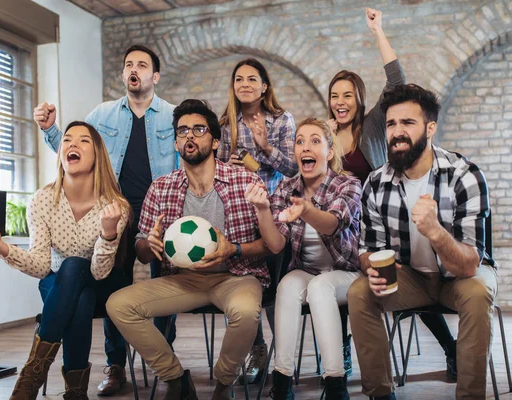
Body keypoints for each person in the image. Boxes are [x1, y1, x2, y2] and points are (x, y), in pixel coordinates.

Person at [33, 44, 177, 395]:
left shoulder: (173, 116)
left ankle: (164, 358)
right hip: (113, 209)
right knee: (118, 283)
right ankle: (116, 365)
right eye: (129, 64)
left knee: (166, 278)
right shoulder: (103, 114)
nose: (134, 69)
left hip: (162, 209)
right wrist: (52, 129)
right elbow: (76, 150)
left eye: (142, 65)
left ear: (154, 76)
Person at [106, 99, 271, 400]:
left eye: (198, 129)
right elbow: (142, 249)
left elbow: (270, 246)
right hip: (183, 280)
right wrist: (149, 243)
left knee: (247, 312)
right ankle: (175, 378)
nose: (189, 137)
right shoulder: (160, 187)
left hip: (235, 277)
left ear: (215, 140)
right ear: (176, 142)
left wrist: (232, 249)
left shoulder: (245, 180)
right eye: (182, 131)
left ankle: (224, 382)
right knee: (118, 304)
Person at [327, 8, 457, 379]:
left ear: (359, 99)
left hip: (378, 226)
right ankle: (344, 355)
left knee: (406, 282)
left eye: (348, 95)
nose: (340, 102)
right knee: (338, 283)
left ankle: (450, 348)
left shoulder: (371, 127)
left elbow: (397, 81)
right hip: (340, 229)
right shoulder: (324, 134)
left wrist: (378, 31)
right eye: (335, 95)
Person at [347, 84, 498, 400]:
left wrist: (435, 231)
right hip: (412, 277)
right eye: (391, 124)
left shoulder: (463, 174)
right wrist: (369, 267)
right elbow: (367, 248)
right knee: (359, 292)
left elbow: (470, 264)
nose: (397, 132)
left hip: (459, 276)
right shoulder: (376, 182)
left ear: (430, 128)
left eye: (407, 123)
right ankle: (380, 394)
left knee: (478, 292)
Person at [0, 121, 131, 400]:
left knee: (76, 271)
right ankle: (75, 392)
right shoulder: (42, 200)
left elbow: (98, 271)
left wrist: (108, 235)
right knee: (76, 293)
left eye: (83, 141)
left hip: (101, 286)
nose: (72, 144)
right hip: (58, 282)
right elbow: (41, 265)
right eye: (67, 140)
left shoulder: (115, 206)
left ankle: (30, 378)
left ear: (97, 154)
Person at [246, 118, 362, 400]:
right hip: (308, 270)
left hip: (348, 273)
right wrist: (262, 210)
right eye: (300, 141)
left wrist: (306, 210)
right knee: (286, 284)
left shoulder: (347, 185)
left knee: (321, 287)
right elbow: (275, 245)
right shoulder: (286, 190)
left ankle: (335, 383)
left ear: (329, 152)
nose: (305, 147)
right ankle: (283, 381)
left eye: (314, 141)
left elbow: (333, 224)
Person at [218, 57, 297, 383]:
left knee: (272, 292)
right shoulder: (226, 125)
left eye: (253, 79)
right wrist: (233, 167)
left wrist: (264, 148)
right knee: (241, 289)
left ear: (265, 86)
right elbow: (218, 170)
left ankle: (282, 360)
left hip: (274, 215)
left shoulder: (282, 120)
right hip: (237, 214)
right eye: (239, 79)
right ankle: (258, 348)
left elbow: (294, 169)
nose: (245, 84)